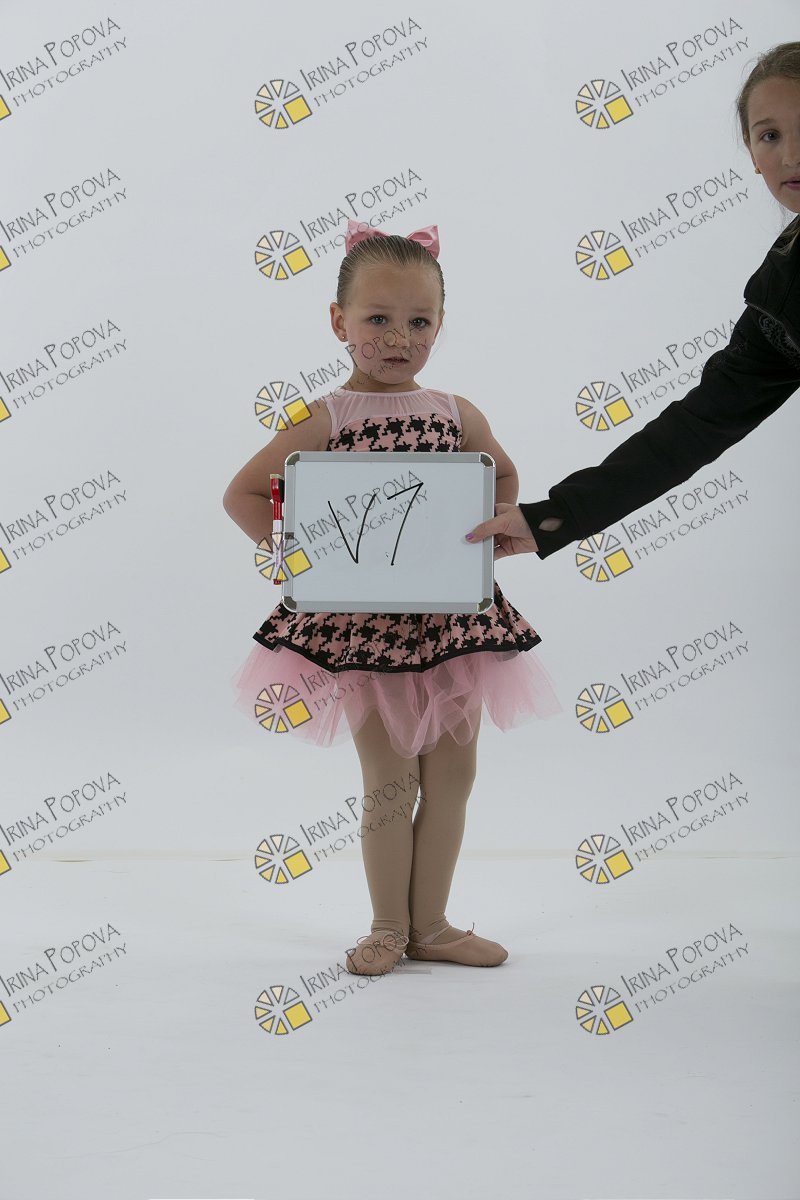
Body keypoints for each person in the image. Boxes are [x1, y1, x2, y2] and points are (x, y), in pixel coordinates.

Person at [223, 219, 561, 976]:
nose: (398, 338)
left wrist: (486, 529)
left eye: (419, 321)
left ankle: (431, 926)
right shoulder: (325, 418)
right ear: (338, 321)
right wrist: (298, 557)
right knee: (389, 780)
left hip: (454, 625)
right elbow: (245, 492)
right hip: (365, 630)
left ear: (440, 325)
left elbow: (501, 475)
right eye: (377, 318)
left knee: (454, 778)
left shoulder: (455, 413)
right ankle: (386, 926)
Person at [466, 43, 800, 560]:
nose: (791, 156)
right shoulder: (781, 289)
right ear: (752, 154)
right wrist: (553, 519)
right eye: (770, 135)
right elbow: (698, 424)